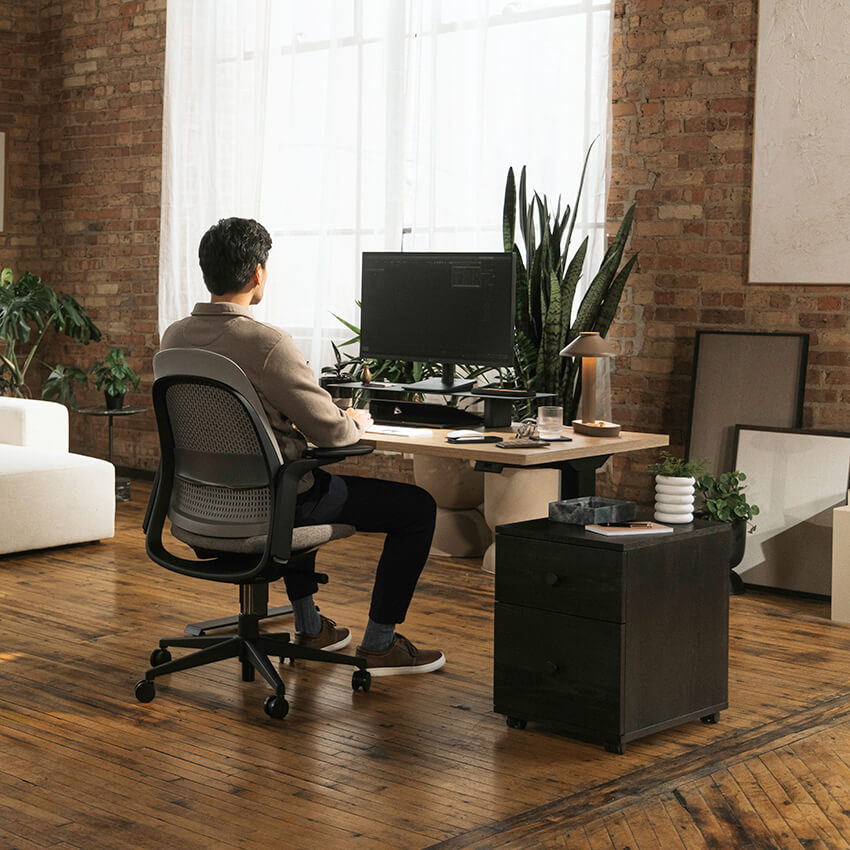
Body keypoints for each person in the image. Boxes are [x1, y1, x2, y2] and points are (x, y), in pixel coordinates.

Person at [160, 217, 445, 676]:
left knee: (296, 480)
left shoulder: (174, 338)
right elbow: (333, 434)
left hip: (199, 510)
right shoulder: (267, 343)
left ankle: (312, 627)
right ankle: (379, 644)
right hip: (273, 510)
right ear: (258, 273)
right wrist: (349, 419)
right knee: (415, 508)